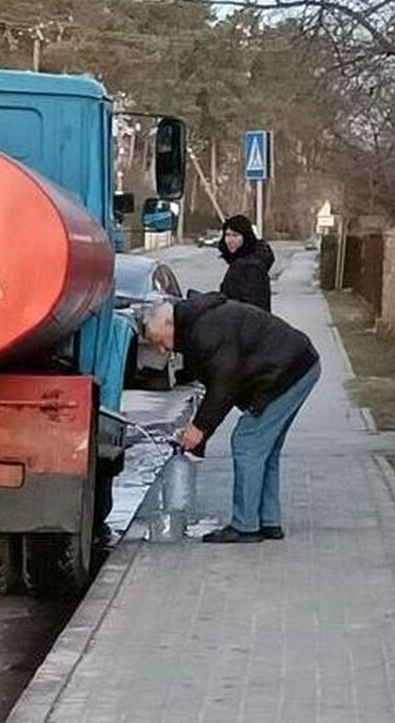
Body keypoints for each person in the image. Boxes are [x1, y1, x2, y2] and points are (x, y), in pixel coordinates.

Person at [141, 292, 320, 543]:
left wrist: (200, 427)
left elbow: (224, 384)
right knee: (264, 449)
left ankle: (246, 526)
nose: (162, 349)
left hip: (287, 371)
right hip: (298, 364)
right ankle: (268, 522)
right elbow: (217, 382)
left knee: (246, 441)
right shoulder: (196, 324)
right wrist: (200, 433)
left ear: (170, 324)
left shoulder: (204, 329)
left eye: (159, 341)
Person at [218, 214, 274, 311]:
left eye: (235, 235)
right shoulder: (245, 262)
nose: (230, 240)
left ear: (246, 237)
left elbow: (251, 308)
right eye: (227, 235)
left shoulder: (249, 266)